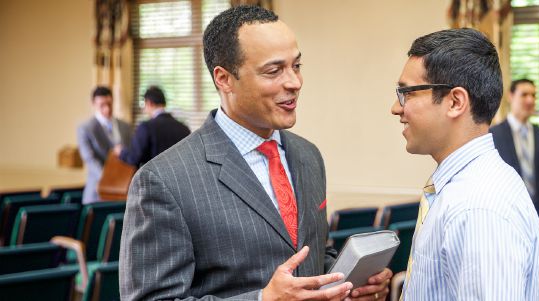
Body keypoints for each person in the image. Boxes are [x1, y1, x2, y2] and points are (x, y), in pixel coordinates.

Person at [120, 6, 390, 301]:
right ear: (224, 79)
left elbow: (313, 257)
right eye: (274, 71)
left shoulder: (308, 156)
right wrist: (263, 299)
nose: (294, 83)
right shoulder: (163, 180)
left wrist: (348, 283)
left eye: (296, 66)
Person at [390, 28, 539, 300]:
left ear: (455, 101)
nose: (396, 107)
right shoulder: (467, 186)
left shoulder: (479, 206)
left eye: (407, 93)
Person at [490, 78, 539, 219]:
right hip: (505, 215)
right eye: (524, 95)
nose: (530, 100)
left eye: (533, 95)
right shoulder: (493, 135)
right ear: (510, 96)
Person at [76, 86, 133, 204]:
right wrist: (108, 179)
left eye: (109, 104)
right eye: (102, 105)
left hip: (124, 191)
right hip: (97, 192)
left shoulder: (125, 127)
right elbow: (89, 159)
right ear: (93, 104)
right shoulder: (85, 129)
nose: (107, 109)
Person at [115, 86, 190, 167]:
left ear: (149, 103)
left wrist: (121, 152)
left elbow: (134, 158)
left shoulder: (146, 127)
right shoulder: (184, 129)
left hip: (153, 178)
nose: (144, 110)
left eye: (144, 105)